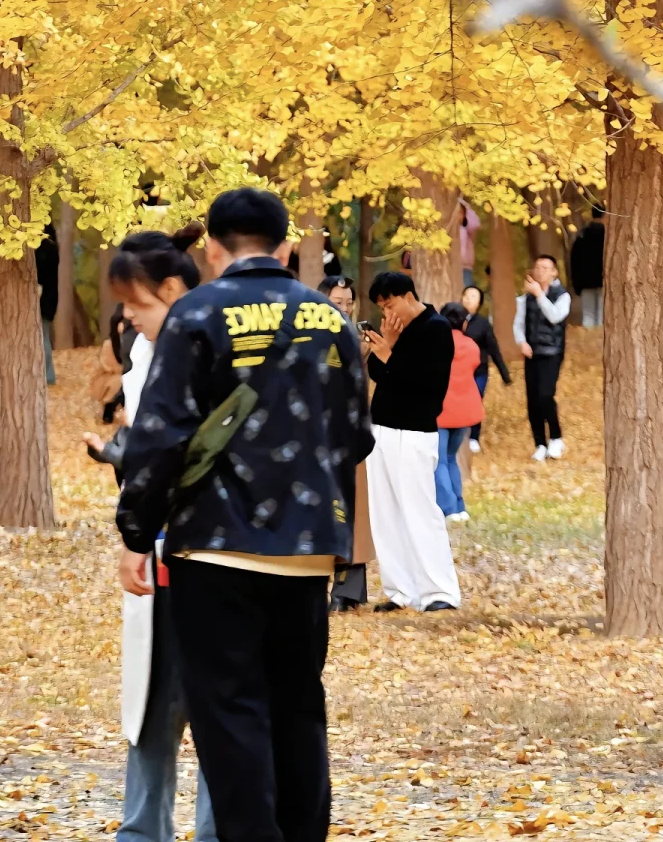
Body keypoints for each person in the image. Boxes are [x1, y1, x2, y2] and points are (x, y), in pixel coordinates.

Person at [117, 187, 371, 842]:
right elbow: (356, 435)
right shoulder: (329, 318)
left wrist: (136, 532)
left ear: (212, 248)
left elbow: (161, 436)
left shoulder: (197, 315)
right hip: (306, 550)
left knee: (231, 717)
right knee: (299, 711)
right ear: (285, 246)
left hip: (215, 548)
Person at [85, 225, 216, 842]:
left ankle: (215, 830)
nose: (128, 318)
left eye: (135, 303)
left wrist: (137, 532)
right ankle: (141, 831)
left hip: (208, 545)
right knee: (150, 698)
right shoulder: (145, 351)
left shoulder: (213, 345)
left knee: (217, 703)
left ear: (170, 289)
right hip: (158, 541)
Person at [364, 270, 460, 614]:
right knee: (385, 512)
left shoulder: (436, 328)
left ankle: (439, 590)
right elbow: (380, 375)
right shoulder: (397, 330)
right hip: (382, 427)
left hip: (415, 430)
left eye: (390, 304)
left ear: (408, 296)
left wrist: (389, 353)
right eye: (381, 307)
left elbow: (425, 383)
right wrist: (385, 347)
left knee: (419, 510)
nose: (387, 313)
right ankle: (400, 590)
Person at [318, 275, 374, 613]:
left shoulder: (357, 340)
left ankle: (348, 590)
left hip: (350, 435)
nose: (345, 308)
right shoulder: (307, 337)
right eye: (338, 302)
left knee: (354, 512)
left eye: (349, 303)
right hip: (315, 437)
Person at [514, 255, 570, 461]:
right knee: (533, 399)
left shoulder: (562, 295)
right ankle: (539, 443)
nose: (540, 271)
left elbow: (555, 316)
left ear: (554, 272)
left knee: (546, 395)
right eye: (537, 267)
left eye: (545, 268)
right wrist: (522, 342)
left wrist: (539, 295)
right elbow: (518, 323)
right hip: (532, 352)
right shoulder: (525, 298)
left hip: (552, 352)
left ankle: (556, 437)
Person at [435, 302, 483, 521]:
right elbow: (475, 364)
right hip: (464, 411)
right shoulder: (471, 346)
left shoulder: (434, 344)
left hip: (440, 410)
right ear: (464, 323)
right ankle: (459, 506)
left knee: (439, 461)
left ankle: (449, 508)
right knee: (450, 458)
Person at [462, 285, 510, 454]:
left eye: (473, 296)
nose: (468, 299)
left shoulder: (483, 324)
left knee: (475, 401)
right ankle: (460, 434)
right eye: (466, 295)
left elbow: (493, 349)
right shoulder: (454, 320)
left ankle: (474, 437)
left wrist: (504, 374)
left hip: (478, 371)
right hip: (459, 372)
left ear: (479, 303)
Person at [570, 206, 605, 329]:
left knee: (588, 315)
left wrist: (576, 285)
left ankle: (588, 339)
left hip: (585, 282)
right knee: (602, 315)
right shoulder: (608, 236)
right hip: (604, 281)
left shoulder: (581, 236)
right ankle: (600, 340)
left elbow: (574, 261)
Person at [36, 225, 59, 386]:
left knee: (42, 337)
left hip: (42, 298)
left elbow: (41, 273)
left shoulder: (45, 248)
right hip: (48, 299)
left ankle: (47, 375)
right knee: (43, 336)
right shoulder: (52, 246)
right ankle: (46, 374)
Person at [458, 204, 481, 287]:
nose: (458, 216)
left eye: (461, 213)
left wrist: (462, 202)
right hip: (450, 268)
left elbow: (475, 223)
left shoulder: (465, 230)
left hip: (465, 268)